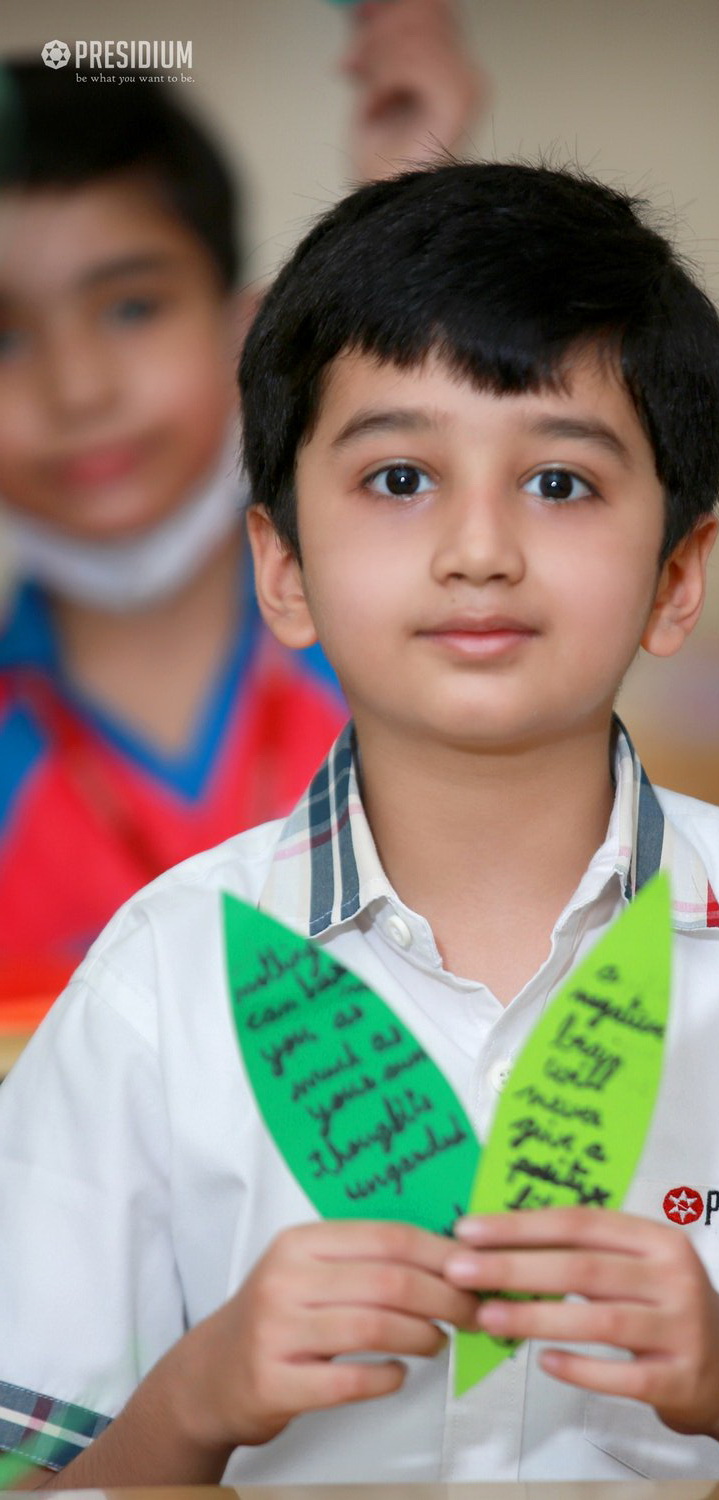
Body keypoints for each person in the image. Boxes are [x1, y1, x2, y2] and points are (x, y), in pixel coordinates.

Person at [1, 161, 719, 1487]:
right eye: (401, 476)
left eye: (562, 484)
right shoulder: (156, 980)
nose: (480, 548)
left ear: (678, 575)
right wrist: (191, 1400)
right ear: (283, 570)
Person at [0, 0, 484, 988]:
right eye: (2, 337)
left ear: (248, 328)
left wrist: (408, 200)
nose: (78, 389)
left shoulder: (424, 653)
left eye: (133, 306)